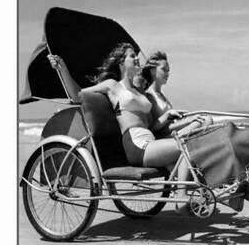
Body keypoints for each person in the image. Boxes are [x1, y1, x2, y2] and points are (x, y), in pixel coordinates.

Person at [48, 44, 189, 178]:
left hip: (151, 141)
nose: (137, 58)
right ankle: (182, 198)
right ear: (121, 63)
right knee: (187, 146)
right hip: (136, 143)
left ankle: (194, 196)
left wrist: (167, 115)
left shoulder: (140, 92)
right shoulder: (113, 86)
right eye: (132, 56)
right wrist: (62, 69)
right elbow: (77, 95)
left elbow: (152, 125)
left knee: (192, 151)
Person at [141, 51, 213, 137]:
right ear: (153, 71)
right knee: (205, 120)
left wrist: (184, 119)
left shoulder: (161, 94)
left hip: (172, 132)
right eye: (164, 69)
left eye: (168, 71)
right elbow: (154, 128)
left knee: (205, 118)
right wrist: (188, 120)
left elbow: (170, 124)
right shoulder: (149, 95)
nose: (167, 74)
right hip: (164, 137)